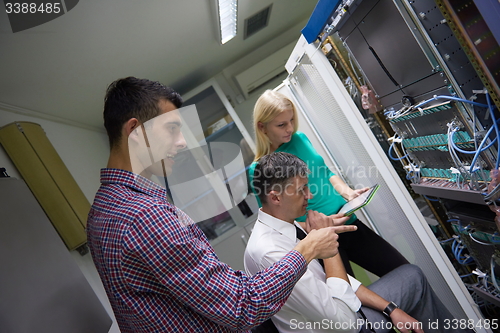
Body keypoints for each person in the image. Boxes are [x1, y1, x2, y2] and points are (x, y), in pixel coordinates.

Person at [86, 76, 357, 333]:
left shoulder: (102, 211)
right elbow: (242, 306)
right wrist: (307, 248)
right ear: (135, 130)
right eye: (172, 129)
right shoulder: (145, 215)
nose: (181, 142)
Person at [245, 152, 472, 333]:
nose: (310, 195)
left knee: (411, 274)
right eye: (301, 190)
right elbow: (344, 323)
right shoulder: (269, 253)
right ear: (275, 197)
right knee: (413, 279)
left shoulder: (285, 225)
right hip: (346, 325)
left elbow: (334, 282)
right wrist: (330, 247)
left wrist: (390, 308)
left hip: (343, 314)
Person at [249, 89, 408, 277]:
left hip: (347, 223)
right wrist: (317, 226)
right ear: (262, 127)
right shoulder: (259, 170)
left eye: (291, 120)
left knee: (403, 270)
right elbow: (277, 222)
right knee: (350, 299)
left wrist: (348, 193)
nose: (290, 128)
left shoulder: (300, 139)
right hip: (321, 241)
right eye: (281, 125)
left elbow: (325, 172)